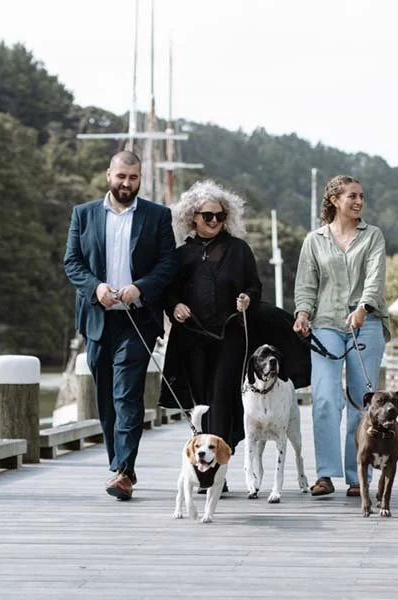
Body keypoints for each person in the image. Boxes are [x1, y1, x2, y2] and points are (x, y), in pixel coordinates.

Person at [63, 150, 176, 501]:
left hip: (138, 318)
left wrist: (139, 287)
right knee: (106, 398)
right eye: (121, 176)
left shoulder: (157, 216)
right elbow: (72, 262)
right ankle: (118, 464)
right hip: (97, 318)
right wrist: (96, 288)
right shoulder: (82, 215)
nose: (126, 183)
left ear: (139, 179)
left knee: (126, 392)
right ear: (108, 175)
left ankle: (124, 471)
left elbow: (168, 263)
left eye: (133, 178)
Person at [293, 174, 390, 497]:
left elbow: (375, 279)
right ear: (335, 200)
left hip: (367, 322)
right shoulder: (314, 240)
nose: (359, 201)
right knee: (323, 398)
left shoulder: (373, 236)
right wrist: (302, 314)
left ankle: (356, 473)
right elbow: (306, 285)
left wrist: (363, 306)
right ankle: (325, 474)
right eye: (352, 196)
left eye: (362, 196)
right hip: (326, 323)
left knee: (362, 399)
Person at [159, 180, 262, 461]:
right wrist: (175, 306)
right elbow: (169, 292)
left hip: (230, 336)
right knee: (200, 401)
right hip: (192, 338)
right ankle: (201, 458)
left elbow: (254, 286)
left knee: (220, 397)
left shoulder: (239, 250)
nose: (214, 221)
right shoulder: (181, 255)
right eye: (207, 215)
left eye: (220, 216)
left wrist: (247, 299)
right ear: (192, 217)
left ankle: (217, 464)